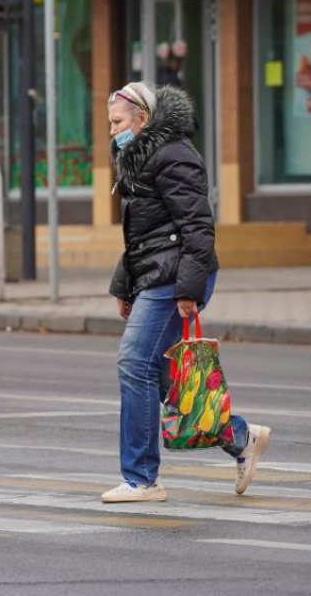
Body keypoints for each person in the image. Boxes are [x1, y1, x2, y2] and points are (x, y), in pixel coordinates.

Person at [103, 82, 271, 503]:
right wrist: (125, 286)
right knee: (165, 375)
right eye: (110, 123)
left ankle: (142, 478)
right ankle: (240, 437)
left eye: (118, 122)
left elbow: (197, 225)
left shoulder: (174, 155)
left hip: (177, 275)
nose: (112, 131)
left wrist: (189, 289)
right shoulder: (137, 157)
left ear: (142, 118)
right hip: (157, 273)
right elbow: (141, 237)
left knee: (133, 363)